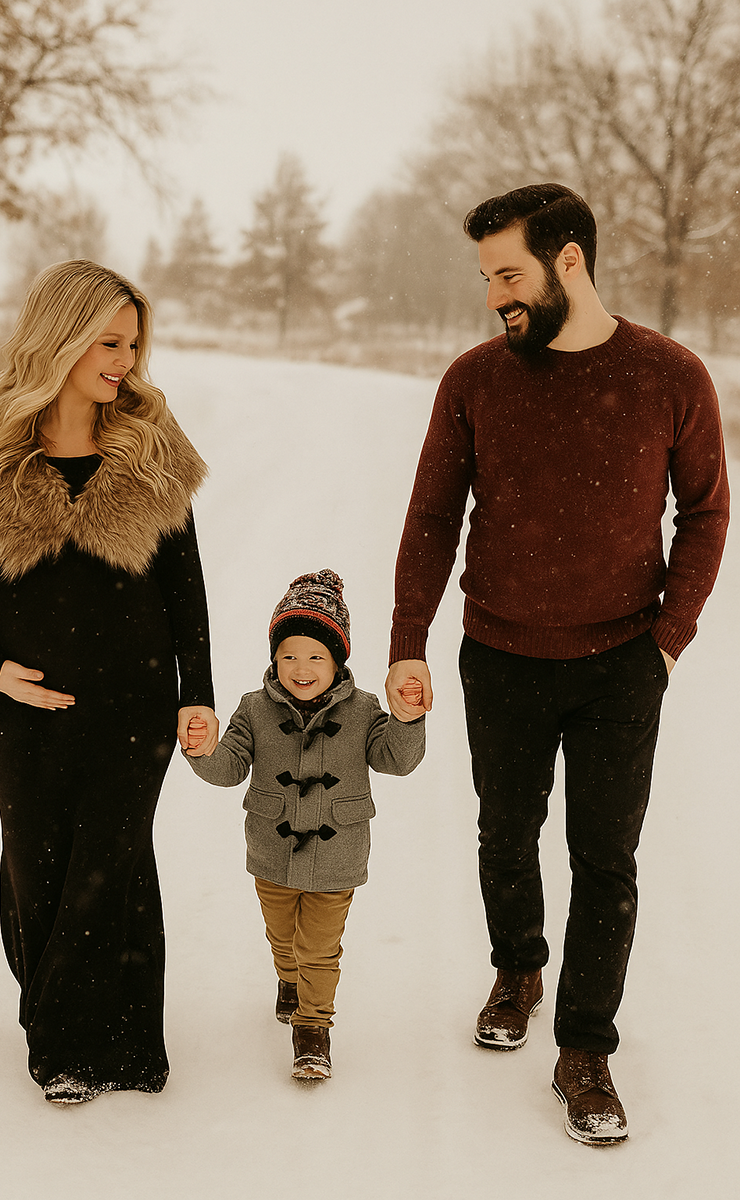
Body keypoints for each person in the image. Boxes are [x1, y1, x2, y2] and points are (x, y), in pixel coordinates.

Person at [385, 184, 729, 1144]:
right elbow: (431, 516)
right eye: (487, 276)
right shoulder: (475, 379)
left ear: (567, 260)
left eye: (509, 274)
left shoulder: (670, 376)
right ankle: (518, 966)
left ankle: (585, 1050)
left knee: (606, 860)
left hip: (623, 659)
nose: (496, 295)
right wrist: (408, 639)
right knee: (505, 832)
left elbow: (704, 511)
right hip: (498, 652)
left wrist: (668, 638)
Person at [0, 259, 219, 1106]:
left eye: (133, 344)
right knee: (39, 861)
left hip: (135, 700)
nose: (126, 362)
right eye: (108, 342)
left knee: (114, 860)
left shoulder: (150, 444)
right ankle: (53, 1007)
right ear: (58, 337)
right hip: (21, 707)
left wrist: (195, 690)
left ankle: (105, 1045)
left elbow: (185, 583)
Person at [184, 569, 424, 1081]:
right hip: (271, 850)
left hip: (337, 858)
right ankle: (286, 980)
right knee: (281, 936)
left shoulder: (362, 711)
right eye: (289, 654)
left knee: (318, 946)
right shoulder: (253, 709)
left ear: (338, 660)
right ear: (274, 656)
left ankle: (313, 1027)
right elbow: (229, 767)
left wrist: (406, 719)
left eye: (316, 655)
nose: (301, 667)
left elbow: (396, 760)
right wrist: (204, 750)